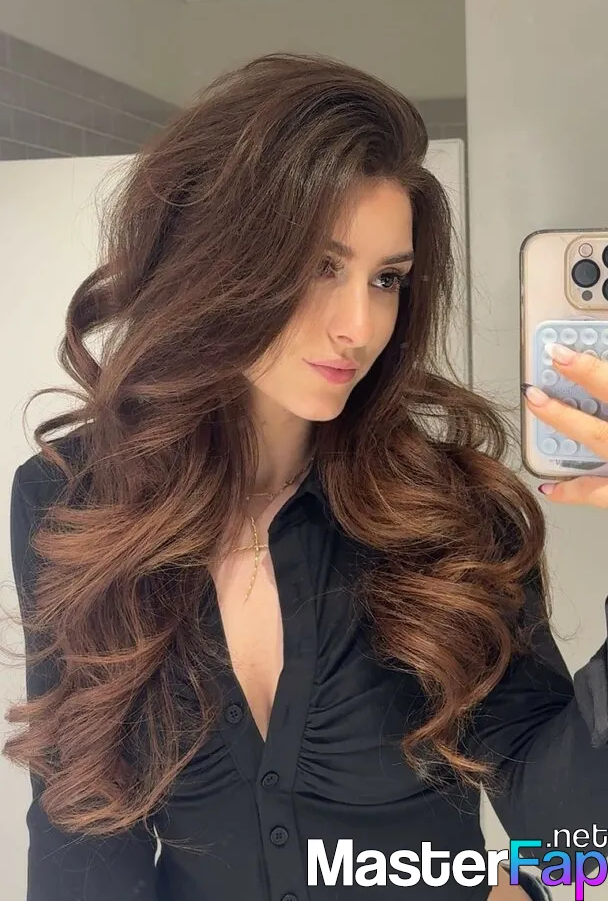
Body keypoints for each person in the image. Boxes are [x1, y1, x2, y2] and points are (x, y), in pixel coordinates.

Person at [4, 51, 608, 901]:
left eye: (387, 279)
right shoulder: (71, 500)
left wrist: (531, 889)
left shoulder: (454, 519)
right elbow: (82, 830)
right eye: (322, 266)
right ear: (217, 259)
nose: (360, 325)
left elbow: (578, 836)